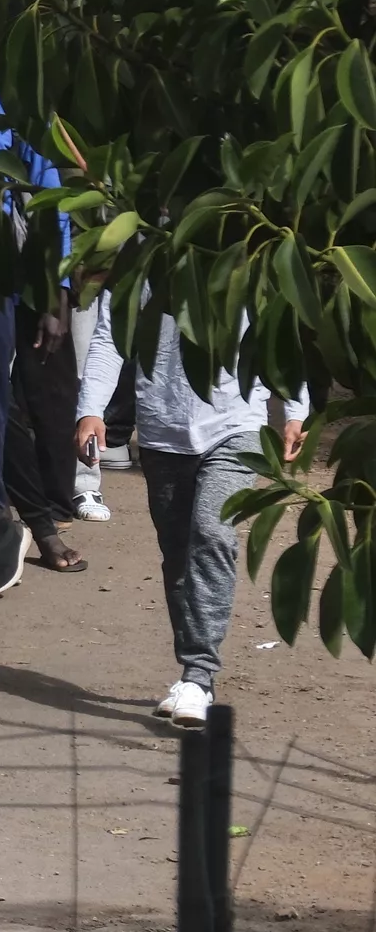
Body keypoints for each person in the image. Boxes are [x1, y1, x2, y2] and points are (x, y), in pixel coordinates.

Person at [77, 299, 304, 728]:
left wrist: (295, 409)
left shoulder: (244, 245)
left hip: (237, 426)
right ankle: (194, 676)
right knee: (178, 553)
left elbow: (278, 332)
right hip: (163, 432)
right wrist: (90, 409)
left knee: (212, 532)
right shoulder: (141, 257)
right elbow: (111, 338)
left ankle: (198, 675)